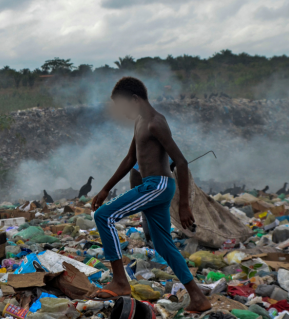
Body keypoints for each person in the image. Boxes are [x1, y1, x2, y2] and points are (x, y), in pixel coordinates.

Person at [89, 77, 212, 313]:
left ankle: (120, 282)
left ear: (134, 99)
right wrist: (105, 188)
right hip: (153, 187)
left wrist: (184, 205)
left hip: (158, 186)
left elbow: (181, 162)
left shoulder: (155, 123)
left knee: (104, 216)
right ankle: (198, 298)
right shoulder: (140, 122)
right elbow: (130, 159)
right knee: (163, 244)